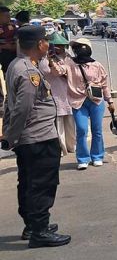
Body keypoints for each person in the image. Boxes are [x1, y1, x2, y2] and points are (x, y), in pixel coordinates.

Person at [1, 26, 71, 247]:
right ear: (40, 44)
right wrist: (11, 136)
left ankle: (32, 225)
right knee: (42, 184)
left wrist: (8, 132)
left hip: (28, 138)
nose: (48, 45)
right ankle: (40, 230)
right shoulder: (28, 72)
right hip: (38, 137)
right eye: (46, 41)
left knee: (29, 182)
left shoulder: (16, 65)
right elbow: (22, 108)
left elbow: (9, 104)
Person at [62, 38, 114, 170]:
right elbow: (58, 71)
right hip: (78, 101)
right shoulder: (69, 64)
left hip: (96, 101)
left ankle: (97, 156)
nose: (79, 50)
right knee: (81, 129)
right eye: (77, 47)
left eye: (82, 47)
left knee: (97, 130)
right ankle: (83, 158)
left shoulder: (97, 65)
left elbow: (104, 85)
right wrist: (50, 60)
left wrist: (110, 101)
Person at [39, 33, 76, 157]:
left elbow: (70, 72)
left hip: (68, 93)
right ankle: (61, 147)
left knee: (70, 122)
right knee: (58, 123)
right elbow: (53, 73)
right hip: (54, 93)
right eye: (56, 46)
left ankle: (72, 145)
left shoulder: (68, 58)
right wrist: (51, 60)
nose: (59, 48)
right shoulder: (43, 60)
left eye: (61, 46)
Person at [0, 5, 18, 74]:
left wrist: (12, 46)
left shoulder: (12, 27)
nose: (9, 18)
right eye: (6, 16)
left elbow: (16, 42)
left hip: (11, 57)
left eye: (9, 16)